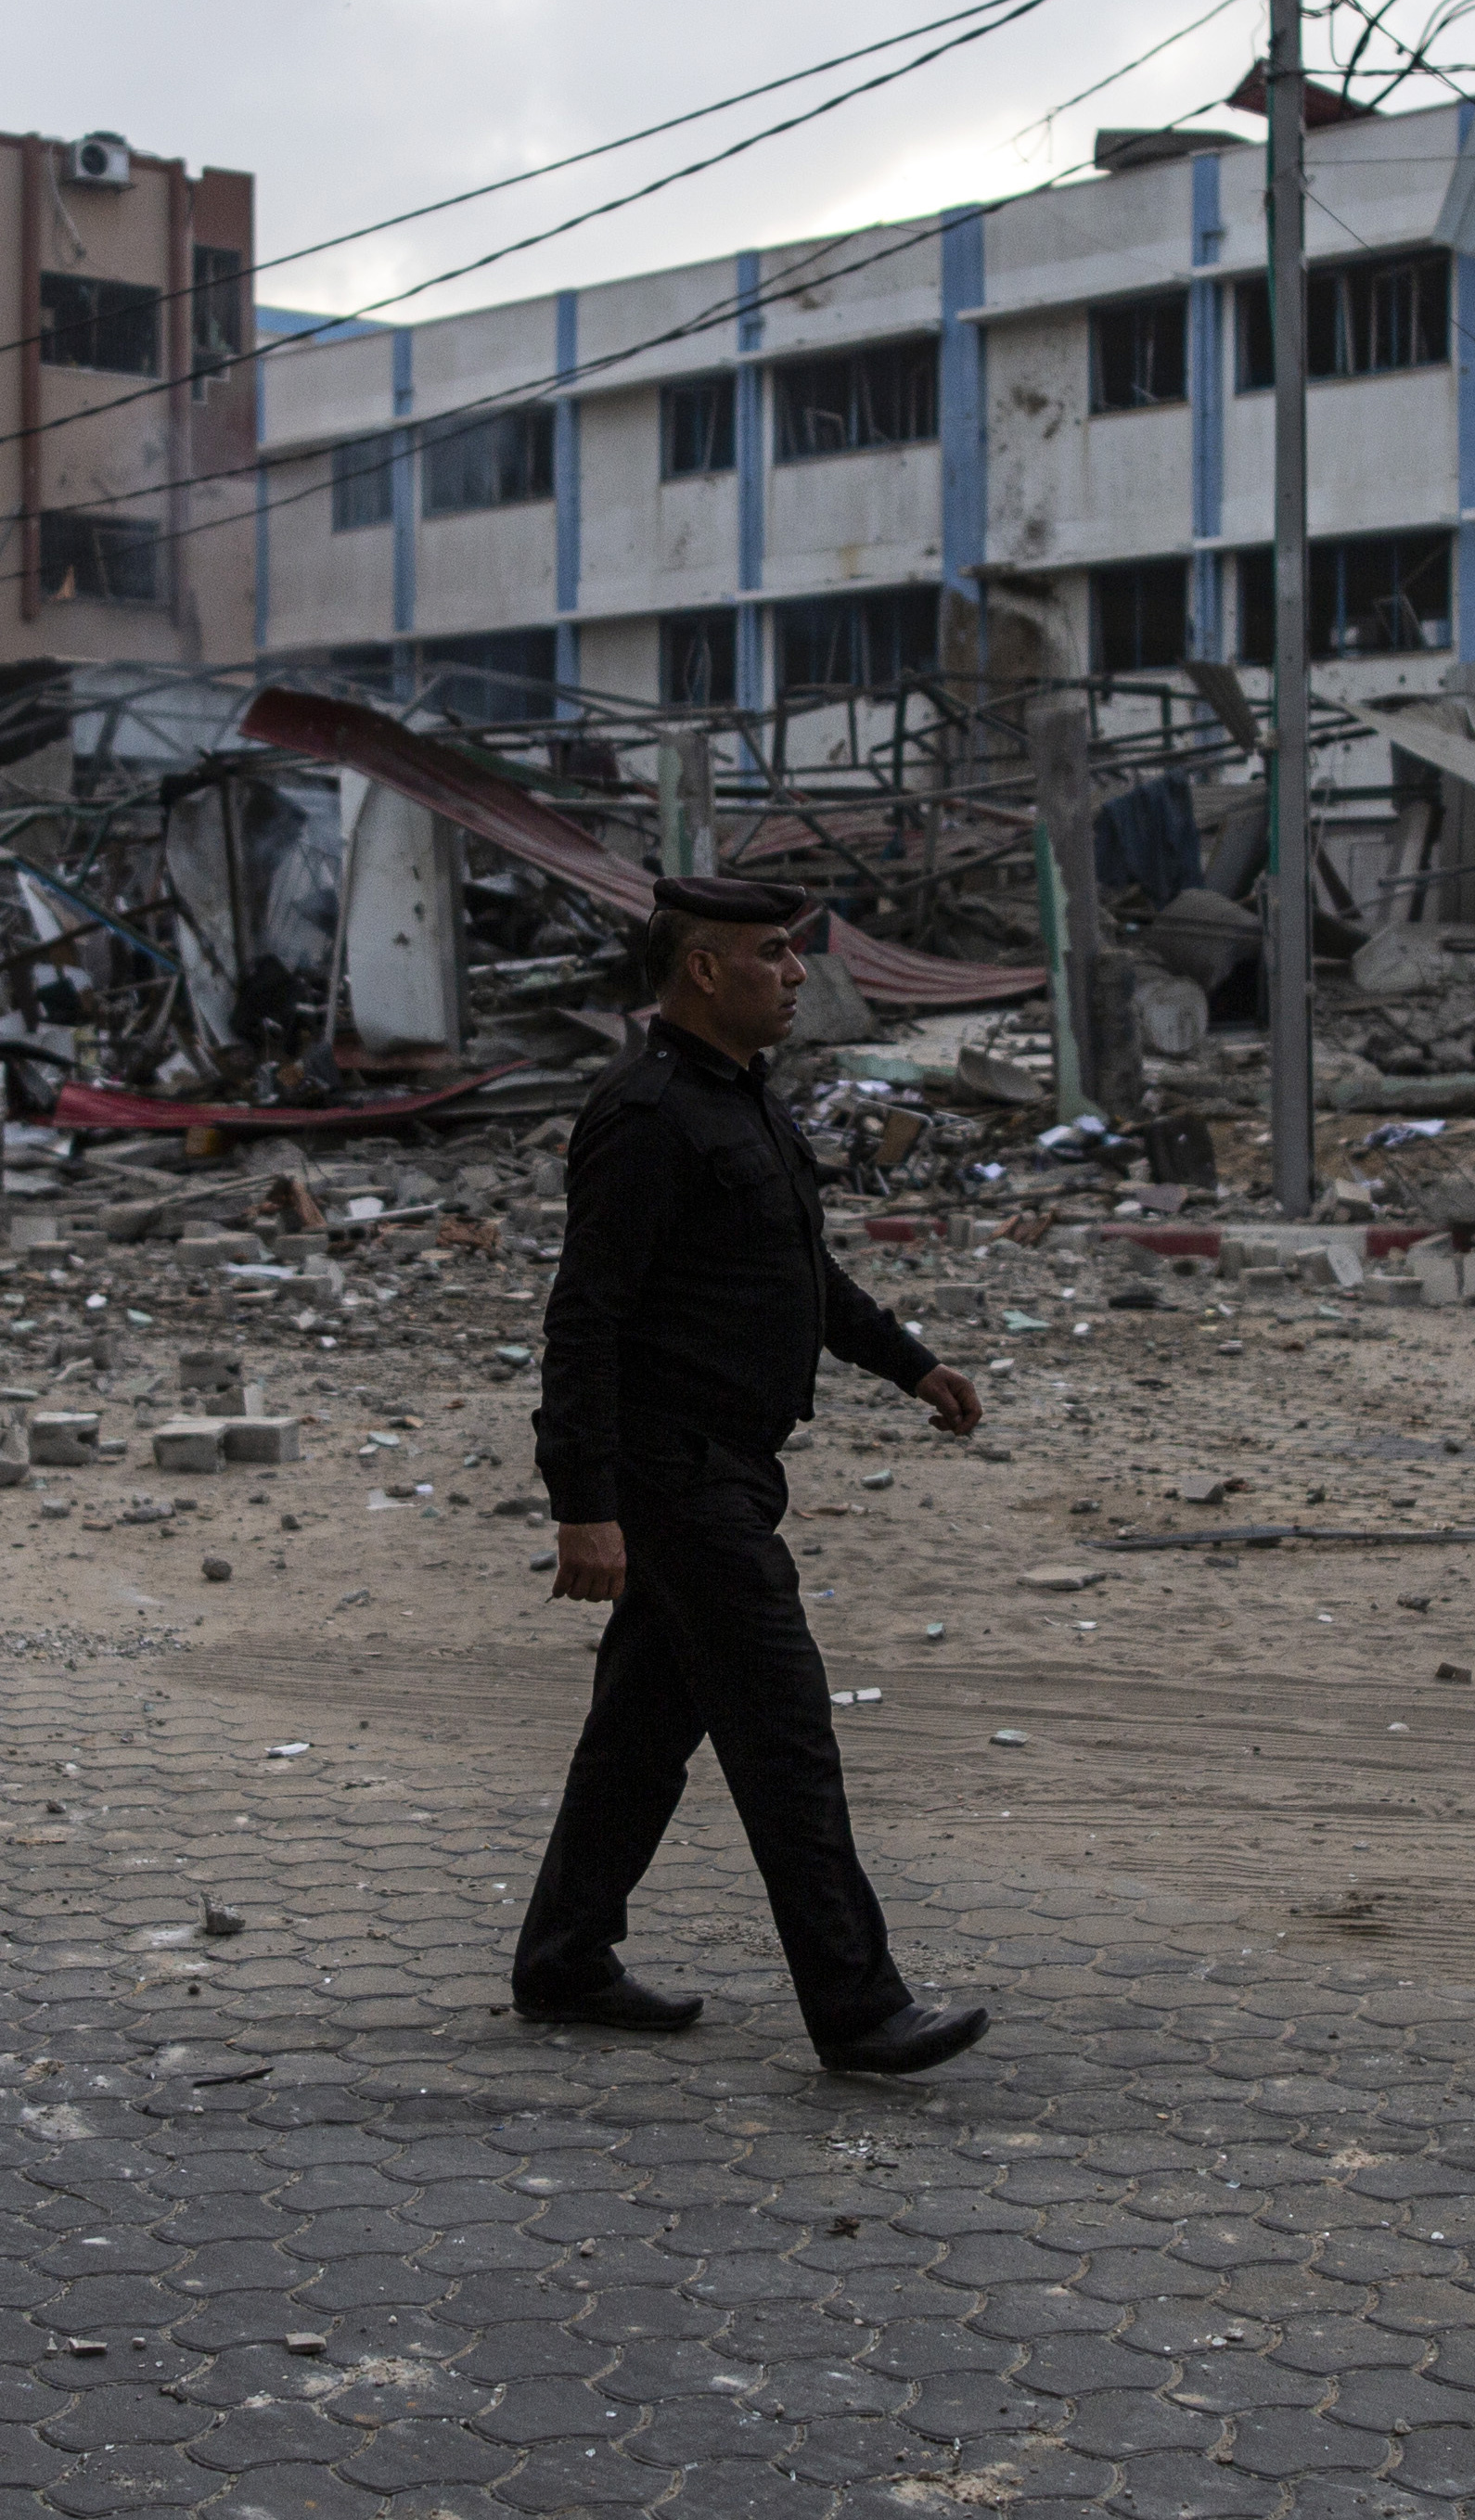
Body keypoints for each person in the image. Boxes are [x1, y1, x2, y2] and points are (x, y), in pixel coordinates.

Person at [510, 874, 993, 2078]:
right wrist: (583, 1503)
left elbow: (800, 1274)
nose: (794, 973)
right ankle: (857, 2007)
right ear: (702, 970)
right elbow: (585, 1317)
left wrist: (910, 1363)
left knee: (637, 1732)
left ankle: (563, 1956)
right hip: (676, 1477)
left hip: (731, 1465)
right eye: (772, 952)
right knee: (783, 1736)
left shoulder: (745, 1104)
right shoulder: (645, 1112)